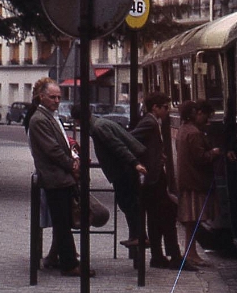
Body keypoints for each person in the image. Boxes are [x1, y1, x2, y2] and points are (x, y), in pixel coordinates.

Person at [27, 80, 92, 277]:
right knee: (62, 222)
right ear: (42, 97)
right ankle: (69, 264)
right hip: (54, 177)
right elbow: (52, 150)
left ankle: (66, 259)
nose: (57, 101)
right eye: (53, 97)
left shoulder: (49, 117)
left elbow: (60, 145)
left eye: (59, 97)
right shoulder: (39, 119)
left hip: (60, 177)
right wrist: (71, 165)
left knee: (63, 221)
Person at [70, 104, 148, 248]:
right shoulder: (100, 125)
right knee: (128, 203)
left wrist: (134, 163)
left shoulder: (99, 128)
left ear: (79, 119)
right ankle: (137, 235)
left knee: (128, 203)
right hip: (123, 169)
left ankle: (139, 236)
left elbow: (117, 146)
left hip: (122, 171)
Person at [176, 101, 236, 268]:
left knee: (191, 221)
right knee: (193, 220)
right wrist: (214, 152)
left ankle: (191, 252)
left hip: (188, 180)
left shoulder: (183, 130)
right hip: (196, 182)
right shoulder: (194, 133)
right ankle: (191, 254)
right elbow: (201, 158)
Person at [131, 92, 181, 268]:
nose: (167, 111)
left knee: (157, 217)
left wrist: (157, 155)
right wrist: (145, 160)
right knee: (166, 214)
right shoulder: (149, 122)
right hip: (153, 178)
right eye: (165, 107)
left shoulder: (153, 122)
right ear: (155, 108)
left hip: (155, 176)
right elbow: (131, 139)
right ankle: (171, 256)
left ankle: (160, 255)